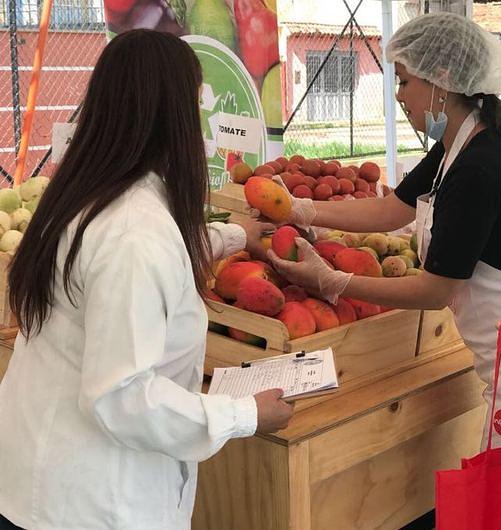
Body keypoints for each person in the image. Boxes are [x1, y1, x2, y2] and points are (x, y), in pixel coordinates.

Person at [0, 30, 294, 530]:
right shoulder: (136, 232)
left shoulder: (84, 195)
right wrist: (244, 414)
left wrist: (232, 236)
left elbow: (148, 259)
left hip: (37, 478)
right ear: (174, 116)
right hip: (89, 502)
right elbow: (120, 396)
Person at [269, 12, 501, 448]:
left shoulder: (480, 167)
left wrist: (334, 281)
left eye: (405, 81)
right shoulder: (460, 147)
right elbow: (391, 210)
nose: (399, 95)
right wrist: (299, 210)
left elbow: (434, 292)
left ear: (441, 81)